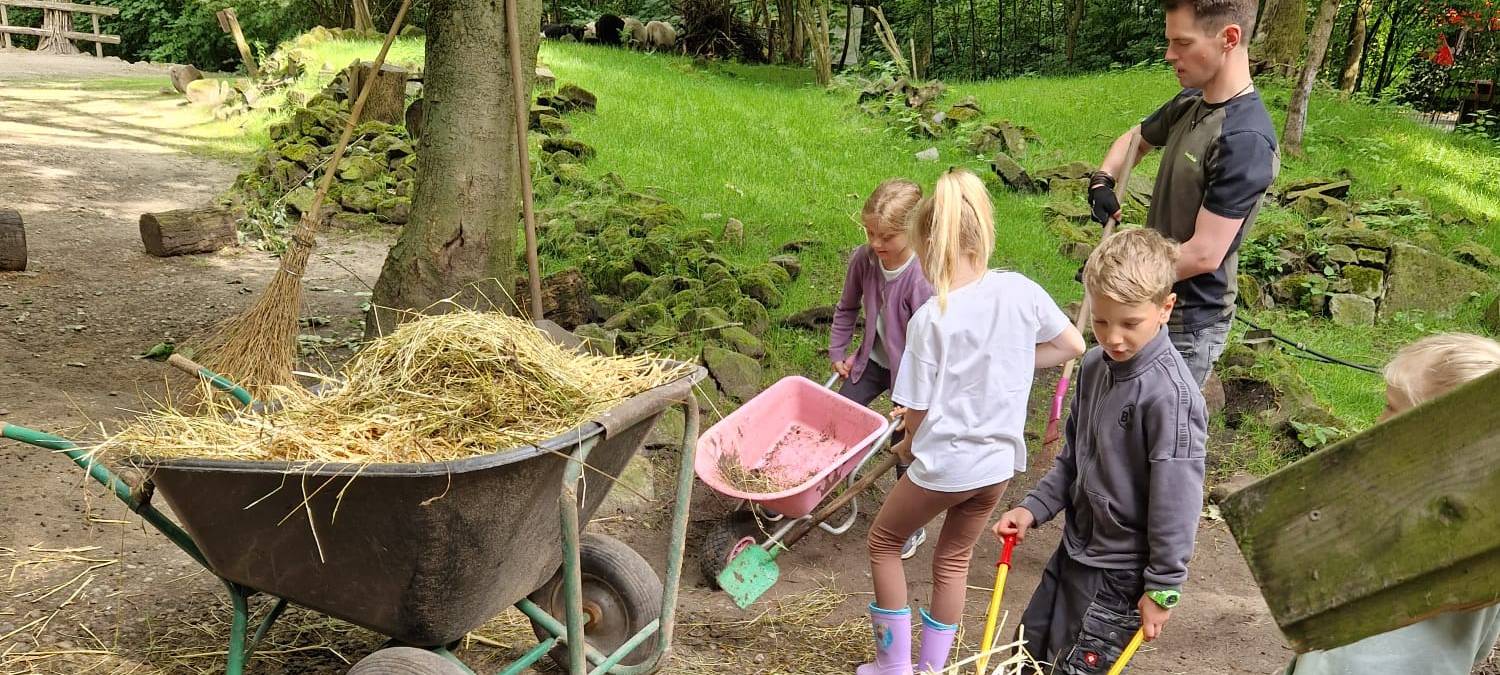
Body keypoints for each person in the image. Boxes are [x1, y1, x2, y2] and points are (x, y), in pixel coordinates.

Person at [859, 169, 1085, 675]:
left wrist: (910, 442)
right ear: (983, 230)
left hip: (947, 465)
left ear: (924, 242)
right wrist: (1002, 363)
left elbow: (915, 414)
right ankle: (932, 670)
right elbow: (1072, 344)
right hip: (997, 467)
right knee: (953, 560)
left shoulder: (932, 318)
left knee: (884, 542)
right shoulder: (1020, 291)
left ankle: (892, 666)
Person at [995, 228, 1208, 673]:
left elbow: (1177, 503)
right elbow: (1074, 457)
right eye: (1101, 321)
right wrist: (1034, 508)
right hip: (1074, 549)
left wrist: (1163, 587)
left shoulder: (1171, 398)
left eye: (1130, 323)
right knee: (1025, 656)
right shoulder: (1095, 366)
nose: (1113, 337)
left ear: (1165, 308)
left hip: (1120, 575)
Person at [1283, 333, 1500, 675]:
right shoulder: (1491, 533)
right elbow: (1482, 644)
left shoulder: (1385, 516)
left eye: (1392, 409)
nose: (1379, 422)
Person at [1088, 0, 1279, 387]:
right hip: (1144, 301)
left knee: (1161, 438)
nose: (1169, 54)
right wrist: (1102, 180)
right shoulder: (1192, 100)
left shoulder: (1244, 140)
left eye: (1182, 42)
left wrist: (1117, 280)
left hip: (1187, 323)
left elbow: (1204, 253)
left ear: (1229, 38)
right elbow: (1137, 138)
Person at [829, 178, 935, 560]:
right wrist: (839, 350)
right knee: (839, 419)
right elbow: (846, 308)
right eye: (869, 231)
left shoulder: (923, 278)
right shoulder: (865, 259)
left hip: (914, 374)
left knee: (904, 445)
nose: (876, 243)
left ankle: (908, 523)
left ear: (914, 229)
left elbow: (937, 348)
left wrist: (918, 403)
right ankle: (817, 488)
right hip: (872, 362)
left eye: (886, 236)